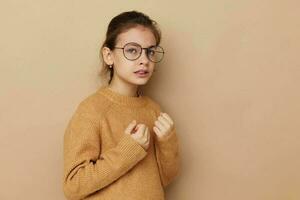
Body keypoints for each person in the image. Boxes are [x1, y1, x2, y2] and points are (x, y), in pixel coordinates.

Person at [62, 10, 181, 200]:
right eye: (132, 50)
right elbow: (74, 186)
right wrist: (127, 151)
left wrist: (168, 143)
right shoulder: (91, 110)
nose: (144, 60)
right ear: (109, 56)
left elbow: (165, 178)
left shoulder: (154, 110)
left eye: (150, 51)